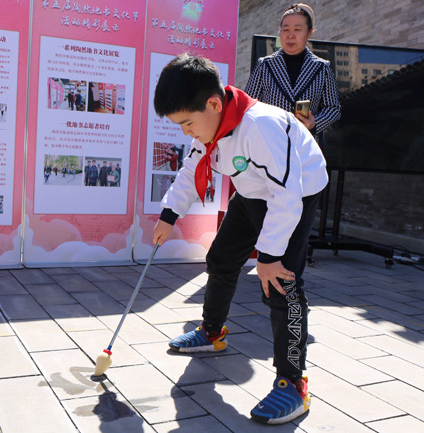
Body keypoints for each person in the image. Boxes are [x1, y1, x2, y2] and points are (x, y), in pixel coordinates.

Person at [152, 53, 328, 425]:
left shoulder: (260, 126)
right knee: (221, 258)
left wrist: (268, 255)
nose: (185, 131)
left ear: (213, 104)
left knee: (281, 283)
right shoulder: (212, 123)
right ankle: (212, 332)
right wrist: (170, 214)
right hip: (253, 191)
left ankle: (293, 383)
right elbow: (191, 168)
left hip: (296, 192)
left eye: (186, 122)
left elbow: (286, 196)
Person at [244, 3, 340, 138]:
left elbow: (333, 108)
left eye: (298, 29)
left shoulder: (322, 68)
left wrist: (314, 123)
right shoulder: (265, 65)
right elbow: (247, 104)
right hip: (269, 142)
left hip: (304, 144)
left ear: (309, 32)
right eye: (286, 29)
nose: (290, 35)